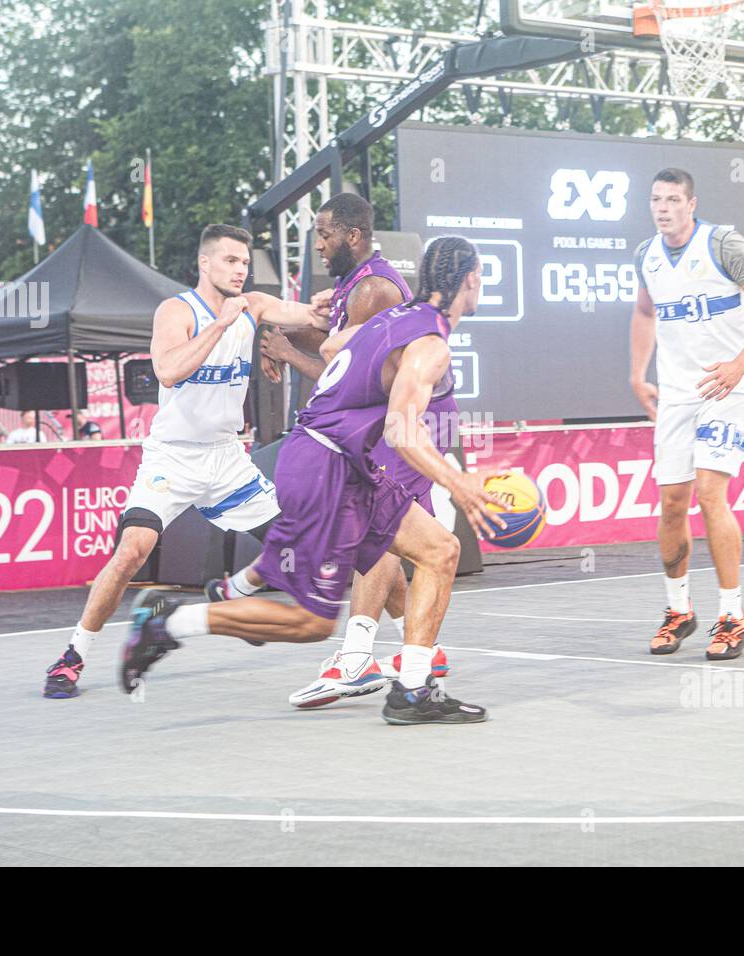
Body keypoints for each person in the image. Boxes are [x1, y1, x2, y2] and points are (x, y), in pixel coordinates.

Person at [119, 236, 504, 725]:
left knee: (440, 551)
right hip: (329, 466)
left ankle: (412, 692)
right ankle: (169, 623)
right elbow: (402, 429)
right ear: (471, 280)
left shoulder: (394, 317)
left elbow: (333, 343)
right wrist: (461, 483)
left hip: (335, 459)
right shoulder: (430, 343)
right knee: (310, 622)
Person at [41, 223, 331, 698]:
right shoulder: (176, 311)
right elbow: (169, 371)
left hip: (226, 459)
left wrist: (327, 306)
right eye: (231, 261)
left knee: (295, 554)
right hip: (172, 459)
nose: (241, 270)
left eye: (245, 263)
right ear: (205, 263)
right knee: (132, 550)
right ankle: (73, 656)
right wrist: (221, 324)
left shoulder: (254, 306)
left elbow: (311, 320)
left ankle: (228, 596)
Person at [237, 193, 457, 708]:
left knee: (373, 537)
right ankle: (425, 651)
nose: (317, 245)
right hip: (382, 432)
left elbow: (355, 378)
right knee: (401, 546)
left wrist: (288, 352)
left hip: (397, 431)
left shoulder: (376, 291)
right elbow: (332, 342)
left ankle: (357, 659)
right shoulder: (351, 287)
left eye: (324, 234)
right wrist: (283, 337)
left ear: (353, 236)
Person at [629, 167, 744, 661]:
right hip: (677, 392)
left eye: (673, 199)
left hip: (728, 386)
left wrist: (741, 365)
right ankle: (679, 611)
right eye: (656, 199)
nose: (662, 208)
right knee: (672, 503)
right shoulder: (647, 256)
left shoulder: (724, 245)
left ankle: (733, 615)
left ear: (691, 204)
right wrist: (638, 373)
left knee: (709, 492)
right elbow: (644, 313)